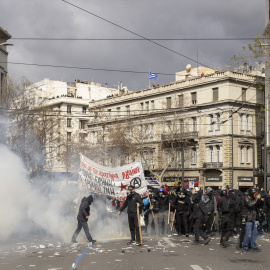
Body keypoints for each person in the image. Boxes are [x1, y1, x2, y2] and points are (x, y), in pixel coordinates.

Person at [242, 187, 261, 252]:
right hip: (248, 218)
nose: (255, 195)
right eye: (255, 194)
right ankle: (245, 246)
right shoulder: (246, 198)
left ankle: (253, 245)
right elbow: (250, 204)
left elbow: (258, 206)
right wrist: (256, 199)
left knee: (254, 233)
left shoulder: (253, 199)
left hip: (253, 218)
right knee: (248, 233)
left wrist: (261, 200)